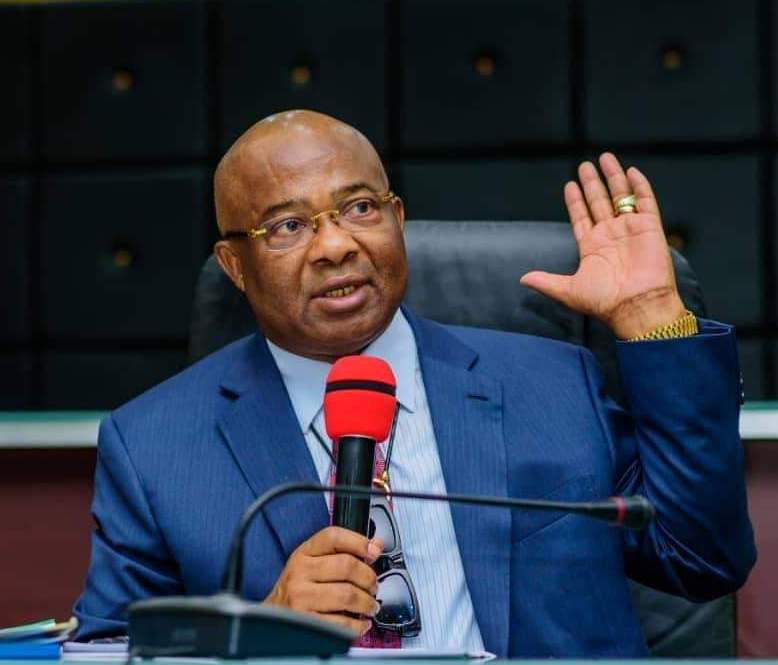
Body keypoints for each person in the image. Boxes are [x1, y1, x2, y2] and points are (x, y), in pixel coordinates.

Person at [73, 110, 755, 657]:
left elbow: (701, 558)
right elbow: (106, 653)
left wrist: (653, 320)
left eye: (359, 208)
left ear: (397, 219)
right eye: (289, 225)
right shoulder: (154, 448)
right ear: (234, 264)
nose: (336, 245)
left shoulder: (552, 383)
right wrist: (253, 638)